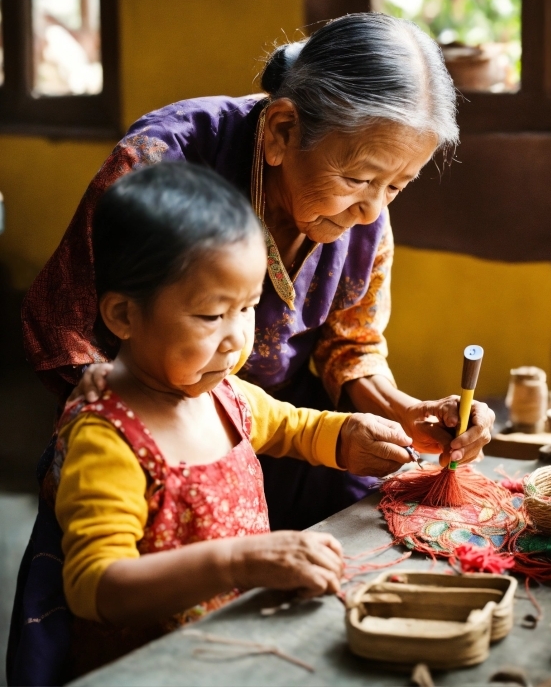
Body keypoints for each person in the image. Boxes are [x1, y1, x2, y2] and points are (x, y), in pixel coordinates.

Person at [22, 12, 494, 531]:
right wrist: (145, 422)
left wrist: (406, 413)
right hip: (150, 430)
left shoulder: (365, 211)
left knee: (379, 529)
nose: (372, 211)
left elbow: (351, 342)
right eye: (359, 178)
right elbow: (65, 326)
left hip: (285, 427)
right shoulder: (160, 165)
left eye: (397, 186)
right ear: (281, 131)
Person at [9, 163, 419, 684]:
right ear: (122, 316)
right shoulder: (107, 438)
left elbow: (293, 427)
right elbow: (97, 587)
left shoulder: (225, 395)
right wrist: (235, 563)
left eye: (247, 308)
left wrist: (347, 437)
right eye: (210, 316)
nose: (234, 339)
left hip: (235, 656)